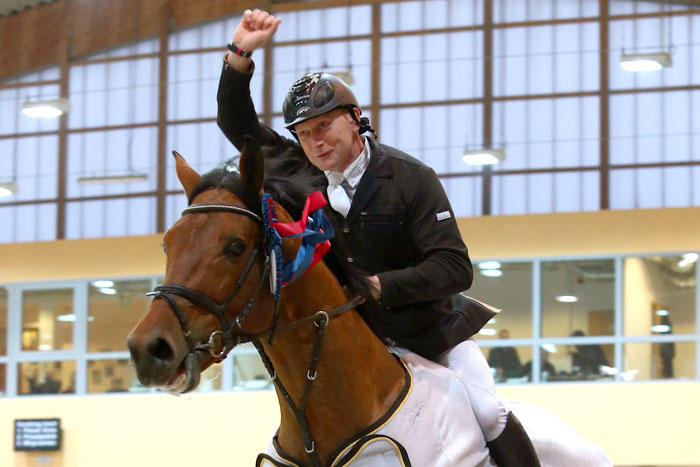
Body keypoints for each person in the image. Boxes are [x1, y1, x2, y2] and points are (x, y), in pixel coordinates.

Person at [216, 9, 540, 466]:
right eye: (304, 134)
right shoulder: (302, 172)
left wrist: (377, 286)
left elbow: (454, 268)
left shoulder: (411, 177)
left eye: (323, 126)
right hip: (359, 343)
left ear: (354, 119)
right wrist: (240, 54)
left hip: (432, 335)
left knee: (490, 413)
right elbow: (236, 123)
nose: (314, 143)